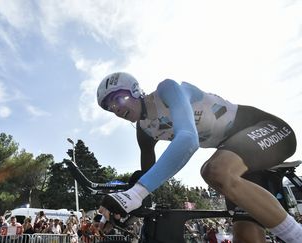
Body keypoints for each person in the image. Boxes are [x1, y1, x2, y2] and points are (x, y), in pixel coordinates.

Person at [96, 72, 301, 243]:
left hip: (267, 129)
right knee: (246, 237)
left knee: (215, 171)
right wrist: (114, 212)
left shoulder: (166, 90)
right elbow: (147, 182)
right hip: (241, 161)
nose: (115, 108)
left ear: (135, 90)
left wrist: (135, 194)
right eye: (109, 107)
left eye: (118, 99)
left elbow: (188, 139)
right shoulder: (144, 130)